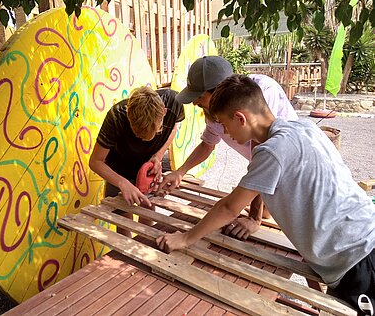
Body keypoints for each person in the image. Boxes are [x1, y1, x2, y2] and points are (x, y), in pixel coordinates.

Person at [156, 74, 375, 313]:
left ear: (240, 118)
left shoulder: (272, 151)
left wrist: (185, 238)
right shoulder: (304, 127)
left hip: (356, 257)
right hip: (360, 241)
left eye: (225, 125)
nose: (226, 133)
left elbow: (229, 208)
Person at [159, 56, 298, 240]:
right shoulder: (211, 111)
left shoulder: (262, 92)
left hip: (283, 169)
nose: (195, 103)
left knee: (278, 211)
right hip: (267, 168)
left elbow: (261, 163)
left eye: (199, 96)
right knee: (268, 207)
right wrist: (180, 172)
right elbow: (208, 144)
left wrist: (254, 218)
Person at [89, 86, 184, 236]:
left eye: (155, 132)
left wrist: (158, 156)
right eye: (138, 134)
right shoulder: (116, 116)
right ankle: (127, 256)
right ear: (128, 115)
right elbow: (95, 161)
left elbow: (174, 127)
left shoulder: (175, 103)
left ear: (164, 113)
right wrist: (122, 183)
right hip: (119, 169)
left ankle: (145, 246)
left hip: (147, 169)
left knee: (148, 209)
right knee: (123, 217)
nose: (142, 140)